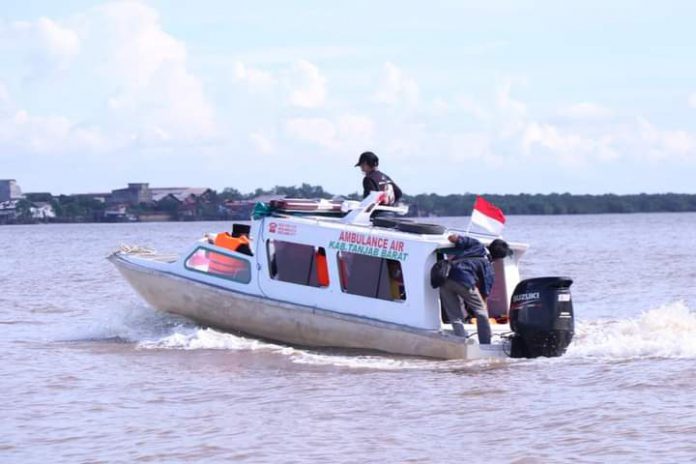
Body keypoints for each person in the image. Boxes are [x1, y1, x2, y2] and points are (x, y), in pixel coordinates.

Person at [439, 234, 512, 343]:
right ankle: (485, 343)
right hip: (464, 281)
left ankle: (461, 340)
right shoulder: (488, 268)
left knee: (455, 316)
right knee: (481, 312)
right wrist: (483, 308)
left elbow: (452, 238)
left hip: (443, 279)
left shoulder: (476, 244)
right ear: (498, 259)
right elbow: (484, 295)